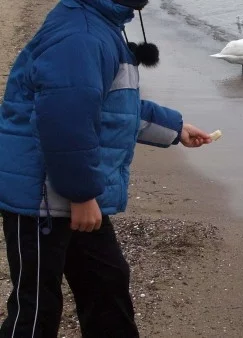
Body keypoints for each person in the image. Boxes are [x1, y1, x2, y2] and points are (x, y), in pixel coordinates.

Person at [0, 0, 213, 336]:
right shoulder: (81, 35)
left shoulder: (101, 25)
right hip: (44, 200)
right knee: (37, 308)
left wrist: (175, 128)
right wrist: (81, 195)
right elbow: (64, 119)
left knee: (107, 287)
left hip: (77, 192)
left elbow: (111, 105)